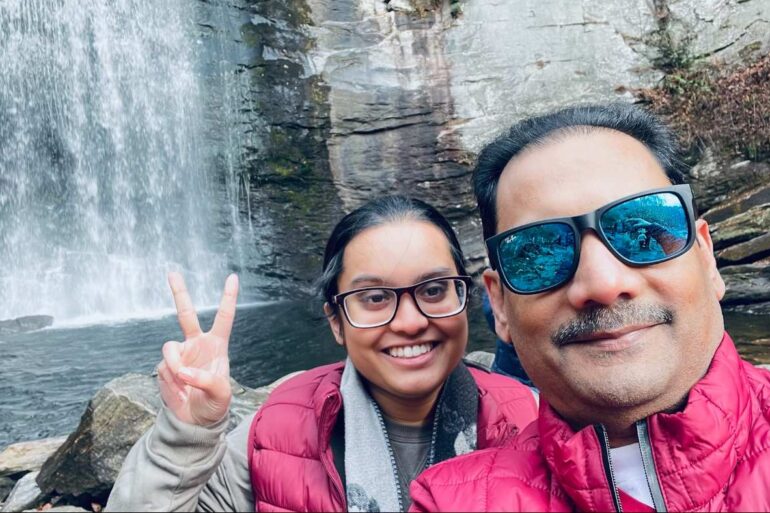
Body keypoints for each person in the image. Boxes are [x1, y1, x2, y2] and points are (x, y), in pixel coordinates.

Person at [410, 103, 770, 511]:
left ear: (706, 258)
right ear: (500, 305)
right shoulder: (451, 503)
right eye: (539, 251)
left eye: (645, 230)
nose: (602, 284)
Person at [106, 196, 537, 512]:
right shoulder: (273, 435)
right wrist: (186, 434)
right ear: (336, 321)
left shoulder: (533, 422)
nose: (409, 321)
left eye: (433, 290)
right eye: (373, 298)